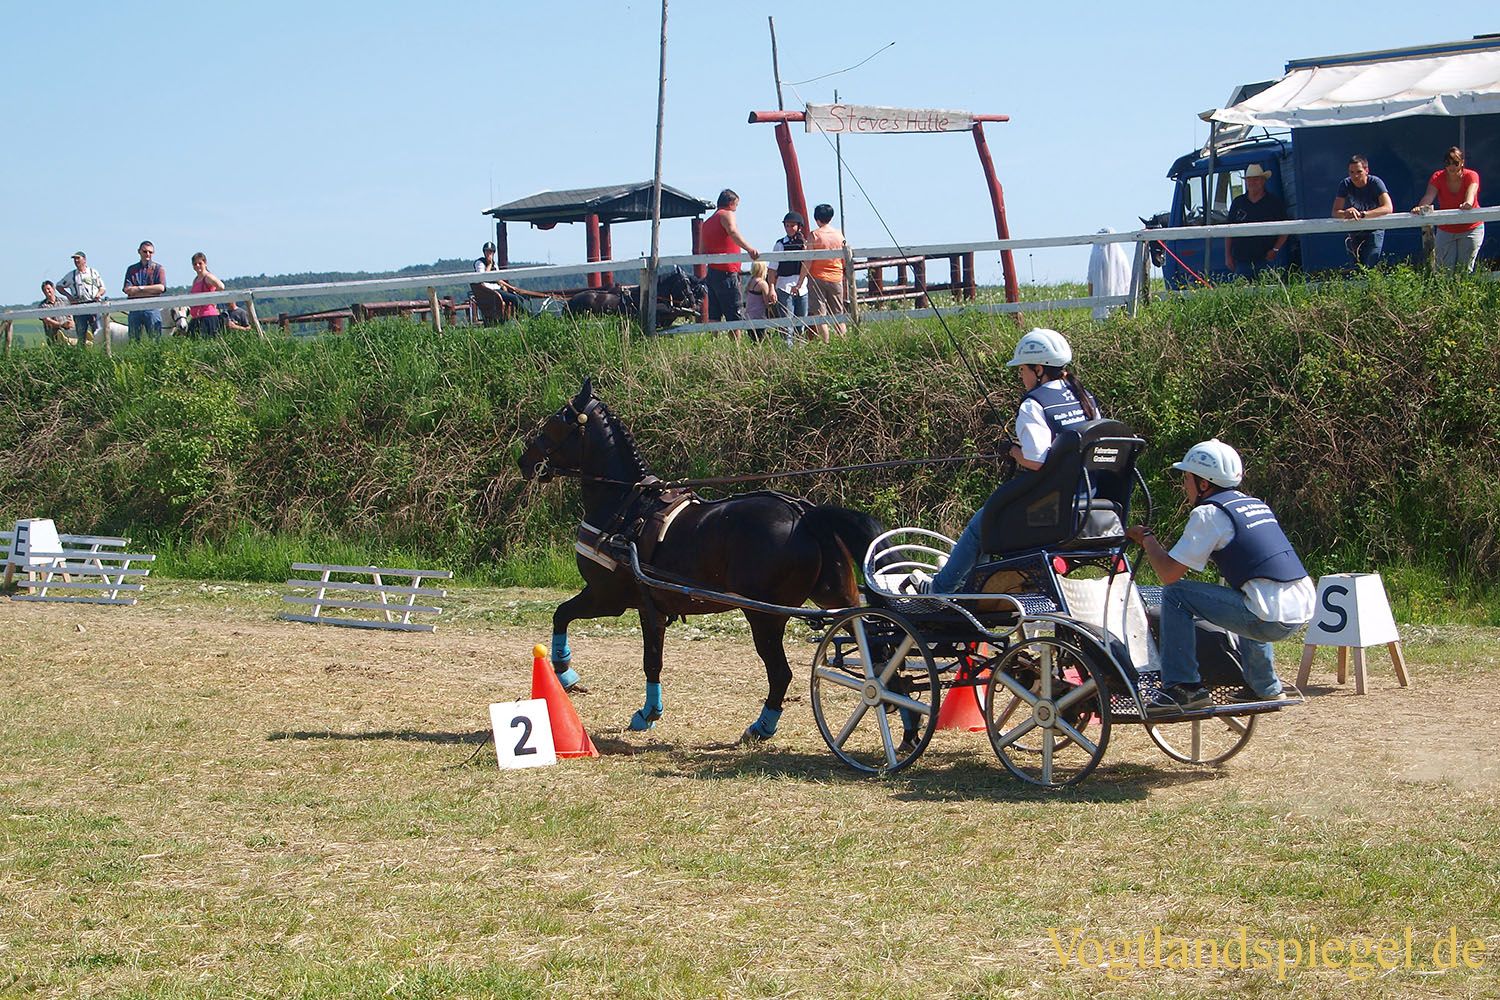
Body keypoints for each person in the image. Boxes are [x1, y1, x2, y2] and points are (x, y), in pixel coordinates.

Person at [1124, 440, 1315, 713]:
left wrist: (1147, 539)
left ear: (1204, 483)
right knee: (1252, 594)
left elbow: (1168, 574)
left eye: (1187, 478)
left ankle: (1183, 688)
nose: (1184, 485)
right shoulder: (1253, 504)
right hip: (1299, 608)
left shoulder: (1209, 513)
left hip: (1268, 616)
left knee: (1176, 594)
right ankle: (1264, 686)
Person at [926, 328, 1100, 594]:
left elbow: (1036, 461)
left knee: (981, 525)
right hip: (1089, 500)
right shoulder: (1083, 397)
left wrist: (1013, 452)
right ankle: (973, 587)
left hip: (1052, 509)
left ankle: (940, 589)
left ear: (1039, 369)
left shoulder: (1034, 404)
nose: (1021, 375)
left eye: (1023, 370)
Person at [1411, 146, 1483, 272]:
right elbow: (1429, 196)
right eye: (1448, 163)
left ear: (1462, 163)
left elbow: (1471, 192)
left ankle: (1462, 292)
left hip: (1471, 228)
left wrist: (1468, 203)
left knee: (1465, 270)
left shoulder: (1472, 175)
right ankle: (1446, 292)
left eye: (1455, 163)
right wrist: (1420, 207)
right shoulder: (1437, 177)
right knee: (1444, 270)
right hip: (1446, 229)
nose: (1452, 166)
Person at [699, 188, 759, 335]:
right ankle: (736, 350)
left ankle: (714, 345)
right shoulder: (727, 214)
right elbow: (732, 231)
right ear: (731, 203)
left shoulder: (706, 223)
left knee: (714, 314)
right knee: (734, 313)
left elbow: (702, 249)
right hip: (727, 271)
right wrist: (749, 249)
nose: (736, 209)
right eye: (736, 205)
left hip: (712, 272)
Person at [1225, 164, 1288, 280]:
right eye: (1249, 179)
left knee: (1269, 292)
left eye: (1256, 179)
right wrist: (1228, 256)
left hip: (1266, 259)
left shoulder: (1273, 203)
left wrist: (1275, 249)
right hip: (1242, 260)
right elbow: (1229, 231)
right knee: (1241, 294)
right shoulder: (1238, 203)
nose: (1252, 182)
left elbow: (1285, 229)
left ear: (1263, 181)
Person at [1331, 155, 1393, 268]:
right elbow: (1335, 212)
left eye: (1359, 172)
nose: (1355, 176)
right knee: (1356, 266)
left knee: (1371, 262)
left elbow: (1388, 207)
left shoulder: (1375, 182)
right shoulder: (1345, 184)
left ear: (1366, 170)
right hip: (1355, 229)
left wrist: (1363, 214)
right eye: (1351, 172)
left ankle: (1373, 285)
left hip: (1375, 228)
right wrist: (1346, 213)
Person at [806, 203, 847, 340]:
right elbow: (844, 258)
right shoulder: (839, 235)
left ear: (816, 218)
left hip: (817, 277)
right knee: (838, 313)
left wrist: (801, 280)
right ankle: (843, 341)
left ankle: (826, 342)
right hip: (836, 276)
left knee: (819, 314)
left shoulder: (814, 235)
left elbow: (808, 260)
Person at [772, 211, 809, 344]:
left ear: (799, 227)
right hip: (784, 285)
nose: (789, 228)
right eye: (787, 225)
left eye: (792, 226)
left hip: (802, 287)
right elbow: (772, 268)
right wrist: (771, 287)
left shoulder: (805, 245)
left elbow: (807, 264)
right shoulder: (780, 244)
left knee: (801, 322)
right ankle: (788, 350)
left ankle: (801, 349)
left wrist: (799, 284)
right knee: (787, 323)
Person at [57, 250, 106, 345]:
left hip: (93, 304)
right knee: (81, 332)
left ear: (84, 260)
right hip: (79, 306)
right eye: (74, 259)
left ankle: (101, 352)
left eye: (78, 258)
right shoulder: (71, 275)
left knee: (98, 332)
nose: (76, 261)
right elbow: (59, 286)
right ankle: (82, 353)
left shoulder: (93, 272)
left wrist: (98, 294)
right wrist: (69, 297)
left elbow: (103, 288)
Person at [122, 240, 166, 341]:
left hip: (152, 308)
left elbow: (161, 288)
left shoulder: (158, 269)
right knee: (133, 340)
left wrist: (139, 288)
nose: (148, 254)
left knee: (155, 340)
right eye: (145, 251)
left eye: (150, 252)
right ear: (139, 251)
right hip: (135, 308)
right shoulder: (131, 269)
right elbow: (127, 289)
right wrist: (151, 290)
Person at [1085, 227, 1131, 320]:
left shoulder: (1095, 258)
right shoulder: (1122, 258)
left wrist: (1093, 301)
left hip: (1100, 305)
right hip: (1121, 305)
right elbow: (1128, 281)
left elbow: (1091, 283)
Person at [187, 252, 225, 338]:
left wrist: (213, 299)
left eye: (200, 263)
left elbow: (221, 286)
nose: (197, 266)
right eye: (195, 264)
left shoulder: (208, 277)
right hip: (196, 316)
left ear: (205, 263)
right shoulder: (196, 280)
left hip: (208, 316)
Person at [744, 260, 778, 340]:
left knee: (753, 340)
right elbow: (767, 303)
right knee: (761, 338)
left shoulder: (750, 281)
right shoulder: (762, 284)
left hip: (749, 316)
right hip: (759, 316)